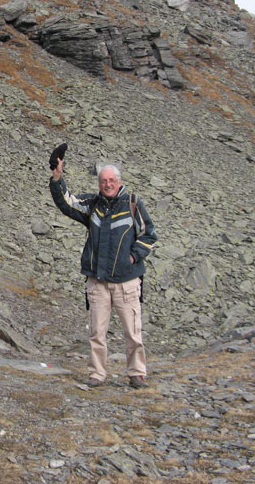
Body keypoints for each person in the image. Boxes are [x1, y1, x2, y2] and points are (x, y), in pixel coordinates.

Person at [50, 158, 157, 389]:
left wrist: (133, 256)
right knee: (97, 332)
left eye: (111, 180)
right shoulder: (92, 204)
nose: (107, 184)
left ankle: (137, 373)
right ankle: (97, 374)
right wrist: (57, 178)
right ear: (99, 184)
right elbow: (67, 203)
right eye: (103, 181)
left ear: (119, 182)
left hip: (127, 282)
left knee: (133, 332)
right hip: (97, 281)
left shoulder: (133, 204)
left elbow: (148, 235)